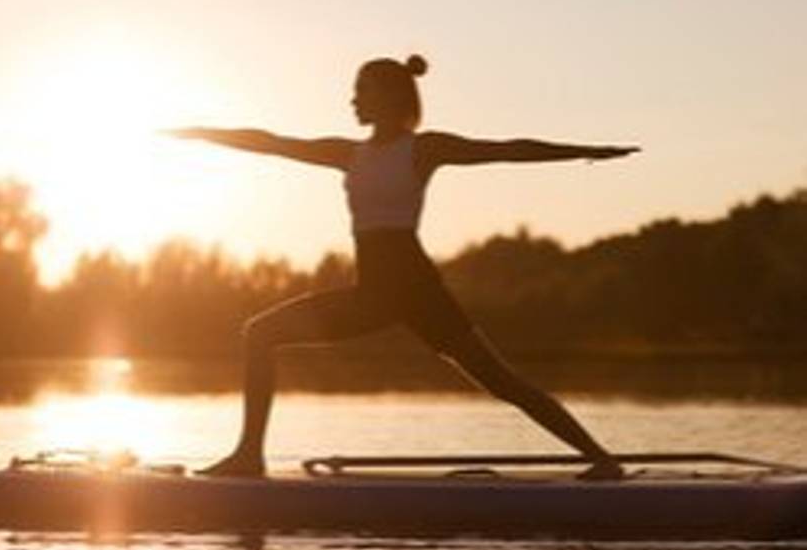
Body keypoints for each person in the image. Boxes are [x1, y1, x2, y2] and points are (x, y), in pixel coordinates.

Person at [167, 54, 639, 480]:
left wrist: (585, 151)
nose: (352, 100)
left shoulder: (423, 149)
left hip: (416, 290)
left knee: (504, 383)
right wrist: (200, 133)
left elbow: (506, 148)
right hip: (372, 293)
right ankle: (249, 455)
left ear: (389, 95)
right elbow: (273, 143)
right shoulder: (347, 153)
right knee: (260, 332)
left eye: (361, 90)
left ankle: (603, 461)